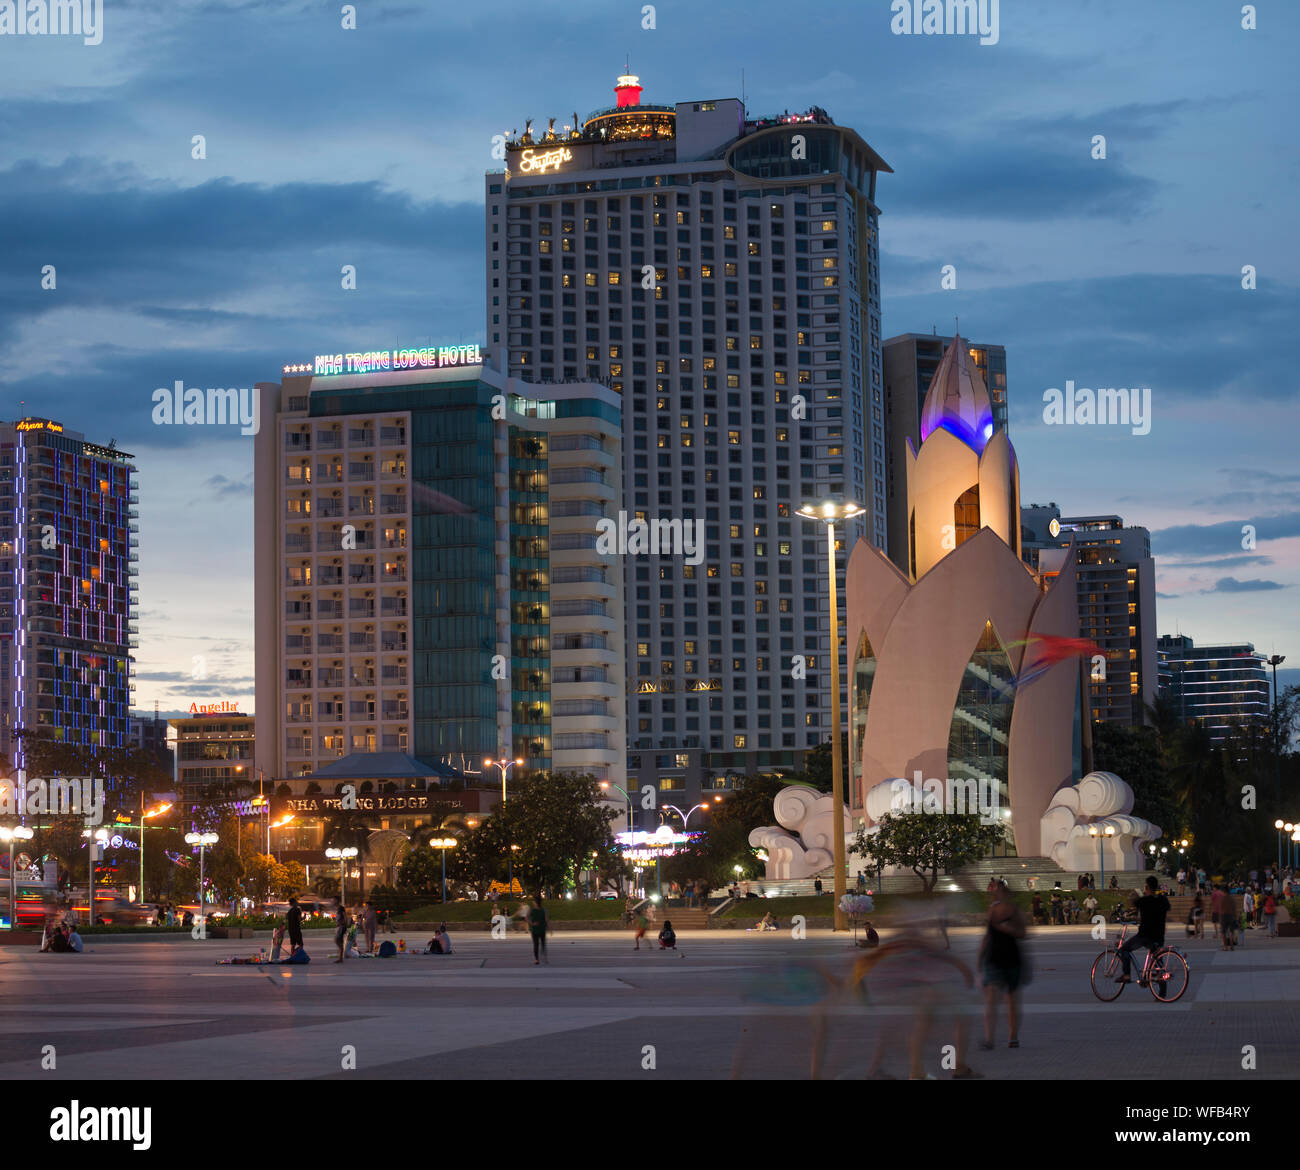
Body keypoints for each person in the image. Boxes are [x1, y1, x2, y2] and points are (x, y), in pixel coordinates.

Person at [978, 880, 1025, 1049]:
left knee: (1011, 1000)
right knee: (992, 998)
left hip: (1011, 959)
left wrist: (1007, 929)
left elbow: (1023, 933)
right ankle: (989, 1038)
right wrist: (980, 958)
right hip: (994, 959)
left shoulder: (1014, 911)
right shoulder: (991, 910)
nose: (995, 896)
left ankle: (1013, 1037)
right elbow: (987, 936)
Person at [1116, 877, 1169, 984]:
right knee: (1158, 961)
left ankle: (1126, 975)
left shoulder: (1144, 901)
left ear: (1147, 887)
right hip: (1159, 936)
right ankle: (1162, 994)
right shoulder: (1163, 900)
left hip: (1145, 936)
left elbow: (1133, 903)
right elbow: (1167, 907)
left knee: (1124, 949)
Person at [528, 895, 548, 965]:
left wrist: (532, 923)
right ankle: (538, 958)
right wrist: (532, 923)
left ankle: (537, 959)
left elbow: (526, 918)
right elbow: (546, 920)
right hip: (540, 929)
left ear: (536, 902)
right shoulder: (542, 910)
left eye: (534, 901)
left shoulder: (535, 910)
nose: (533, 902)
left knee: (538, 944)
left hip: (538, 929)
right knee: (540, 944)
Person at [333, 897, 350, 963]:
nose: (333, 902)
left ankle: (341, 957)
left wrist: (343, 924)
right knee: (339, 941)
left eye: (334, 900)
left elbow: (345, 916)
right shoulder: (338, 908)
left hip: (342, 927)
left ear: (337, 900)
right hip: (340, 927)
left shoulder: (341, 908)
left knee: (337, 940)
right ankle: (340, 957)